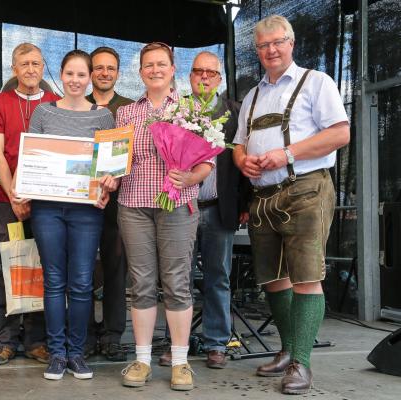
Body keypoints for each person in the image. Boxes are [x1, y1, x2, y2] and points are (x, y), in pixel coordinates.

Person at [232, 15, 349, 395]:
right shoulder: (252, 96)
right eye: (263, 46)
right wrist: (242, 160)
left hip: (305, 190)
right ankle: (287, 350)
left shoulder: (316, 82)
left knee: (306, 277)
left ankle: (302, 363)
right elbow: (238, 143)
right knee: (273, 278)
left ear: (292, 43)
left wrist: (287, 153)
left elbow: (339, 133)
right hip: (263, 195)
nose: (271, 50)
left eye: (277, 42)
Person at [117, 42, 213, 391]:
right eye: (148, 65)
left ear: (173, 69)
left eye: (161, 64)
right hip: (134, 205)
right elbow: (119, 159)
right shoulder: (127, 113)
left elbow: (207, 162)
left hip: (177, 206)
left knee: (176, 282)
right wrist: (109, 174)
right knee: (141, 284)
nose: (154, 70)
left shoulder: (191, 109)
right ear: (140, 71)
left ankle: (180, 362)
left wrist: (189, 177)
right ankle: (141, 361)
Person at [25, 49, 116, 380]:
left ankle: (76, 354)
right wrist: (26, 183)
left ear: (89, 78)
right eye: (70, 74)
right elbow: (31, 158)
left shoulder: (103, 117)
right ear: (61, 76)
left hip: (87, 212)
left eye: (82, 75)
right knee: (53, 282)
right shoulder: (43, 112)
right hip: (47, 209)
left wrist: (110, 182)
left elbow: (112, 169)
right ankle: (57, 353)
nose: (76, 80)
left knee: (81, 284)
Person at [159, 51, 249, 369]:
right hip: (181, 207)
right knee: (177, 278)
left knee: (218, 277)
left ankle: (216, 344)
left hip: (218, 208)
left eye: (211, 73)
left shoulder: (235, 113)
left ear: (220, 79)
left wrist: (244, 204)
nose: (205, 77)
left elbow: (243, 163)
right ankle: (177, 344)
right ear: (189, 76)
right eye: (198, 71)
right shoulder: (175, 110)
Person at [0, 43, 60, 366]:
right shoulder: (0, 103)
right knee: (9, 269)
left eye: (36, 63)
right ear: (14, 69)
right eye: (24, 64)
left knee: (42, 270)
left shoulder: (54, 104)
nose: (31, 69)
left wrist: (32, 193)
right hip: (8, 201)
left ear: (43, 68)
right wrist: (14, 194)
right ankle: (4, 341)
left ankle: (36, 341)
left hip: (45, 202)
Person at [83, 46, 134, 362]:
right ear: (90, 72)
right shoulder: (77, 105)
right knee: (83, 269)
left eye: (110, 68)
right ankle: (85, 334)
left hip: (120, 202)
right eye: (98, 67)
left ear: (117, 72)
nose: (104, 73)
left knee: (116, 270)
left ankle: (113, 336)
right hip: (83, 201)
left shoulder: (128, 108)